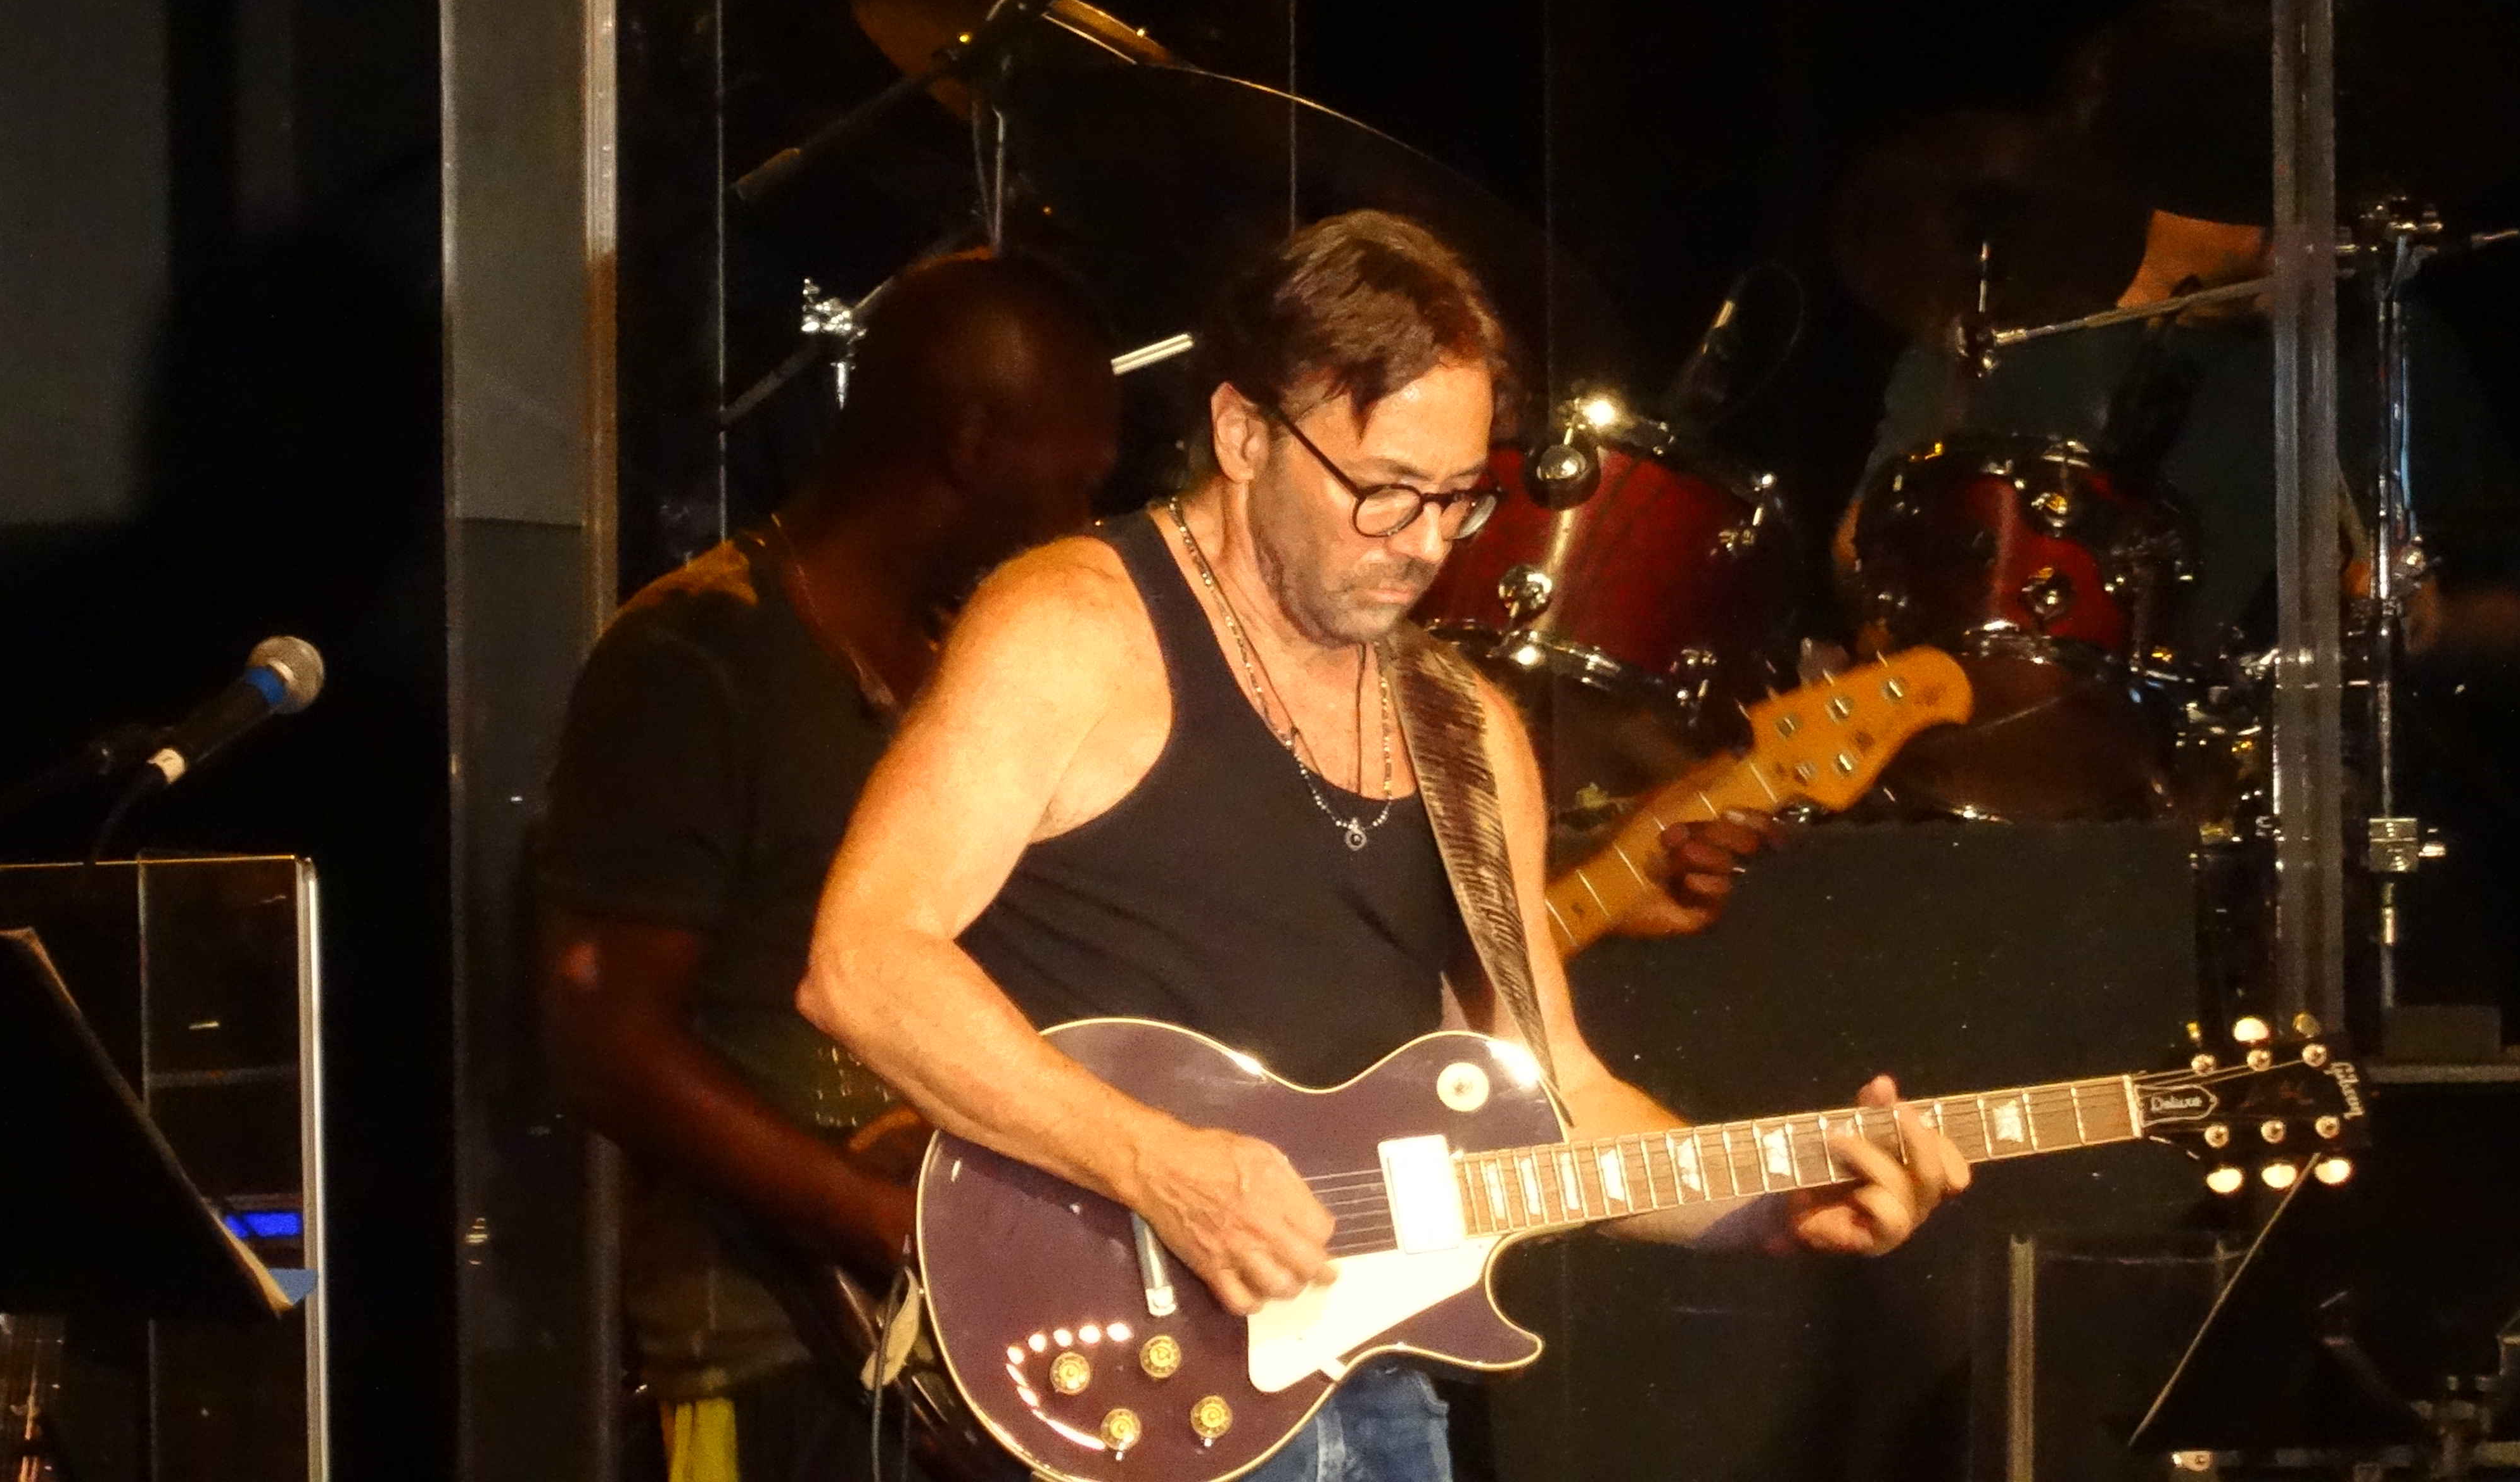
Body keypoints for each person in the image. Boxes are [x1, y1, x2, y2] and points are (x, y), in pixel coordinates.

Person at [801, 210, 1970, 1482]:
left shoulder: (1466, 731)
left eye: (1460, 498)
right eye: (1385, 489)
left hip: (1374, 1397)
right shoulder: (1077, 629)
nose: (1422, 541)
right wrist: (1159, 1163)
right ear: (1245, 434)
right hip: (1118, 1374)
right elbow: (865, 964)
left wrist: (1777, 1198)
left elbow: (1559, 1096)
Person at [533, 253, 1123, 1482]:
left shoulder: (964, 667)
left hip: (977, 1350)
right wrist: (898, 1224)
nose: (1083, 522)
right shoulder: (695, 657)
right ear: (972, 443)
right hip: (769, 1355)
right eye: (1076, 477)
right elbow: (605, 1041)